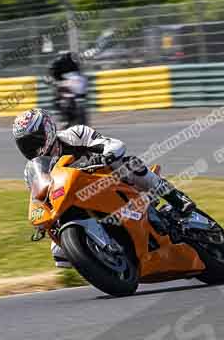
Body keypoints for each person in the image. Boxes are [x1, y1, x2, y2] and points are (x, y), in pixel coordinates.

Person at [12, 108, 195, 267]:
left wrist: (106, 155)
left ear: (48, 130)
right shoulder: (34, 171)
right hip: (77, 202)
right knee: (60, 253)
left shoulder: (75, 135)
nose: (31, 148)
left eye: (34, 141)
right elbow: (41, 198)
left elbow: (114, 144)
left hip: (108, 180)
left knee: (129, 164)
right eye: (25, 145)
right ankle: (108, 258)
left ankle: (176, 198)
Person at [48, 51, 88, 127]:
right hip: (67, 86)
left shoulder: (73, 65)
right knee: (56, 98)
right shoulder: (57, 66)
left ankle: (65, 117)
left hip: (74, 87)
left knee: (57, 97)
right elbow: (51, 78)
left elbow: (80, 76)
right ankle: (63, 117)